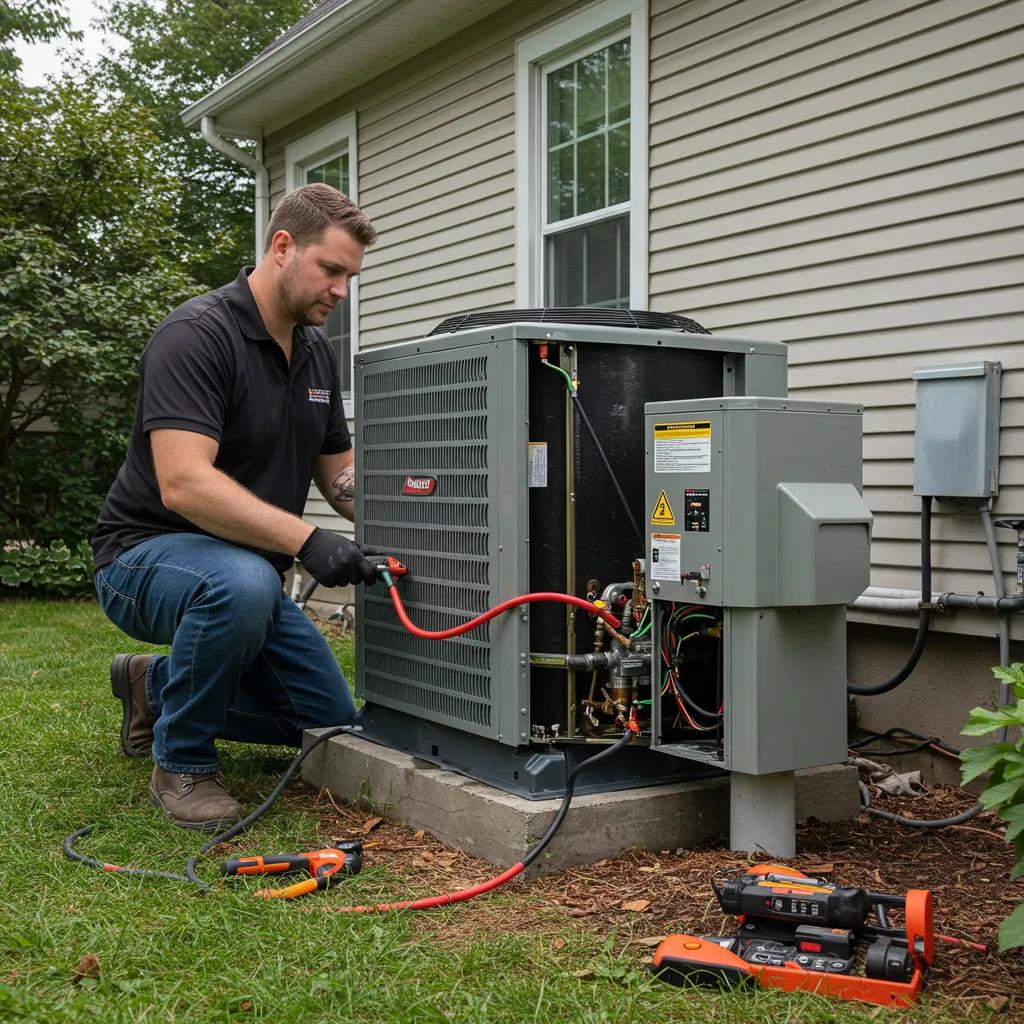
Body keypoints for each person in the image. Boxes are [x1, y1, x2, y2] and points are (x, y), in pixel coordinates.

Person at [91, 183, 378, 832]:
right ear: (282, 247)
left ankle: (153, 688)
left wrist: (415, 520)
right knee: (244, 581)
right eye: (331, 270)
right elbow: (184, 483)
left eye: (350, 276)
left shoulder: (314, 355)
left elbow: (341, 479)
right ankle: (182, 764)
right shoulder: (197, 335)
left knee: (329, 721)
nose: (341, 290)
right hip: (144, 557)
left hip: (243, 578)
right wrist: (308, 540)